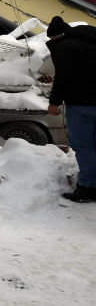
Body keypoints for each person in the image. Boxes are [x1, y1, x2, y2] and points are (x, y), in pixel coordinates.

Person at [46, 16, 96, 203]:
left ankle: (89, 187)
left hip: (82, 104)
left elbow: (63, 77)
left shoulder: (66, 46)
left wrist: (54, 102)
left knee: (83, 145)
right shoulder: (91, 42)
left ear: (55, 36)